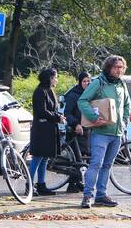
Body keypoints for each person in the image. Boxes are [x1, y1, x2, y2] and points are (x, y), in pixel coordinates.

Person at [77, 55, 131, 209]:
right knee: (96, 164)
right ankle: (88, 196)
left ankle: (101, 195)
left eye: (121, 67)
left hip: (117, 133)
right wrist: (93, 117)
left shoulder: (122, 85)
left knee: (107, 165)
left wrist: (125, 121)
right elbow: (82, 101)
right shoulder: (98, 83)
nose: (119, 70)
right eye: (116, 67)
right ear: (108, 68)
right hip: (101, 132)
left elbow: (127, 105)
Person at [30, 68, 65, 196]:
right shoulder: (40, 92)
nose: (57, 79)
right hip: (41, 129)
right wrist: (57, 117)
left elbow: (52, 109)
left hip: (49, 128)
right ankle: (29, 184)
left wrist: (59, 116)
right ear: (49, 78)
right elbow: (41, 111)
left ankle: (41, 184)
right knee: (38, 157)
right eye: (55, 77)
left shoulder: (50, 91)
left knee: (44, 158)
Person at [61, 70, 91, 193]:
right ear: (80, 82)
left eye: (89, 81)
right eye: (84, 81)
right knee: (76, 160)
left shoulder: (90, 95)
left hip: (87, 130)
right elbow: (67, 113)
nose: (87, 83)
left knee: (84, 158)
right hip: (75, 130)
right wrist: (76, 124)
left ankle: (78, 182)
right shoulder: (74, 95)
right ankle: (72, 184)